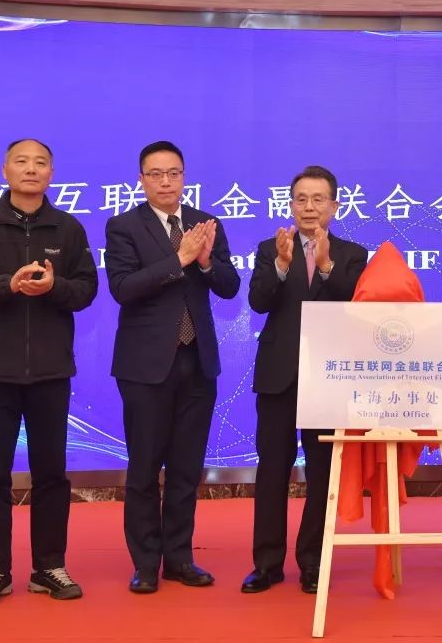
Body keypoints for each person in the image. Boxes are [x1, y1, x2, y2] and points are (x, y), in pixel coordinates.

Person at [0, 138, 97, 607]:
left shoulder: (68, 228)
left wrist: (54, 287)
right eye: (22, 161)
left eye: (41, 162)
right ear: (5, 170)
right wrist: (5, 285)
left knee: (51, 474)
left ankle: (48, 567)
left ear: (51, 173)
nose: (31, 169)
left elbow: (86, 289)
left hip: (50, 373)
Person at [105, 140, 241, 593]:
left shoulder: (205, 224)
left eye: (174, 173)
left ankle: (180, 558)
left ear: (184, 177)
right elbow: (124, 288)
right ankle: (146, 563)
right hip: (145, 366)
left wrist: (204, 261)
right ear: (141, 179)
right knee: (145, 467)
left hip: (197, 362)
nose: (166, 182)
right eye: (156, 174)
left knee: (186, 468)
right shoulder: (123, 226)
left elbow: (229, 286)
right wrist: (179, 259)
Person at [241, 165, 368, 594]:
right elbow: (258, 302)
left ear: (334, 205)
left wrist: (327, 264)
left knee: (322, 474)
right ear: (291, 204)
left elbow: (354, 305)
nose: (309, 207)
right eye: (301, 199)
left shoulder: (353, 254)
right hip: (278, 376)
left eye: (318, 199)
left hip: (330, 378)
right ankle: (266, 563)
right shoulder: (271, 248)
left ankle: (313, 561)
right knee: (272, 471)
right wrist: (281, 265)